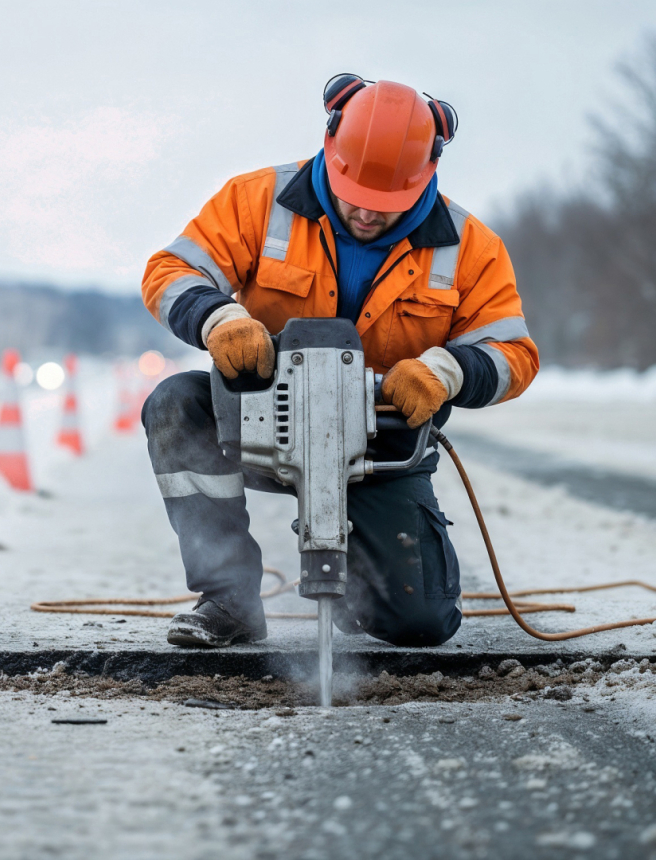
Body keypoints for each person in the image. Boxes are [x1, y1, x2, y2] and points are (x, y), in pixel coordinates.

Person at [139, 75, 538, 648]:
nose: (366, 214)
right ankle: (228, 599)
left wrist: (447, 372)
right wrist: (218, 319)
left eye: (386, 205)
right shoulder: (258, 200)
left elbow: (514, 354)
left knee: (419, 623)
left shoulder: (469, 246)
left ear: (428, 172)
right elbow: (170, 272)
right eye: (354, 196)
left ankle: (368, 595)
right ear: (330, 148)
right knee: (176, 404)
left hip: (380, 445)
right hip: (261, 420)